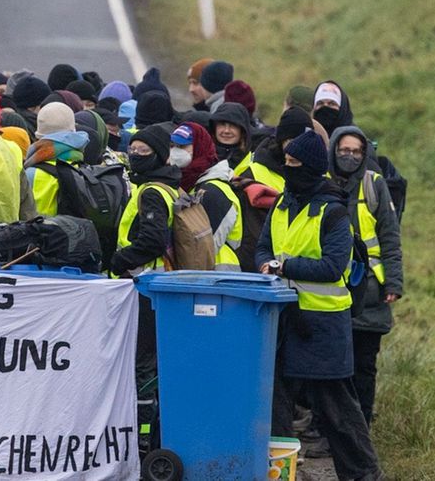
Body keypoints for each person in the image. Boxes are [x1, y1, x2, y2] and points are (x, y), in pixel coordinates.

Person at [258, 130, 381, 481]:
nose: (287, 168)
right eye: (286, 162)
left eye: (294, 164)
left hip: (322, 327)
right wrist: (269, 262)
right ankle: (280, 473)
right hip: (284, 320)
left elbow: (332, 266)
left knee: (336, 412)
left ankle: (364, 474)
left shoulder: (334, 212)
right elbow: (263, 247)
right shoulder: (283, 203)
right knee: (277, 406)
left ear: (311, 168)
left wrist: (283, 266)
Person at [329, 125, 403, 427]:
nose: (349, 156)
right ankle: (329, 430)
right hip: (330, 290)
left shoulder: (374, 184)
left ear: (364, 153)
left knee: (363, 367)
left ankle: (361, 429)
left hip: (370, 292)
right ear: (334, 151)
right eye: (343, 150)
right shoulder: (322, 183)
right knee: (333, 367)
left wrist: (394, 282)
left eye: (356, 151)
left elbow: (390, 235)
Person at [111, 124, 178, 417]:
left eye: (144, 151)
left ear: (159, 156)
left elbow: (152, 240)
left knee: (141, 365)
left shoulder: (151, 192)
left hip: (143, 286)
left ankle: (141, 431)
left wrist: (120, 260)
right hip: (155, 286)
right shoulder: (167, 187)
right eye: (133, 149)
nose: (136, 155)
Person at [170, 122, 242, 271]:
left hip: (216, 273)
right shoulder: (190, 183)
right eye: (173, 146)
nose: (176, 152)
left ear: (199, 148)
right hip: (202, 272)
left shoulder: (213, 191)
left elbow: (204, 245)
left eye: (182, 147)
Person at [21, 103, 89, 218]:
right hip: (76, 233)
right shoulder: (82, 166)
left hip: (40, 232)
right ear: (73, 130)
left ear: (38, 135)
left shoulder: (31, 173)